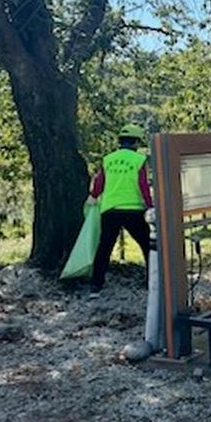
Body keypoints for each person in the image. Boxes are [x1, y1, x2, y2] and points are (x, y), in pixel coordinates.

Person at [88, 124, 152, 298]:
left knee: (105, 247)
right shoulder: (139, 160)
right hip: (133, 209)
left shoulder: (108, 159)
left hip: (110, 210)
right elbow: (143, 185)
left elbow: (99, 182)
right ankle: (152, 282)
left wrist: (93, 196)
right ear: (136, 142)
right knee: (148, 246)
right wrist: (150, 205)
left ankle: (95, 286)